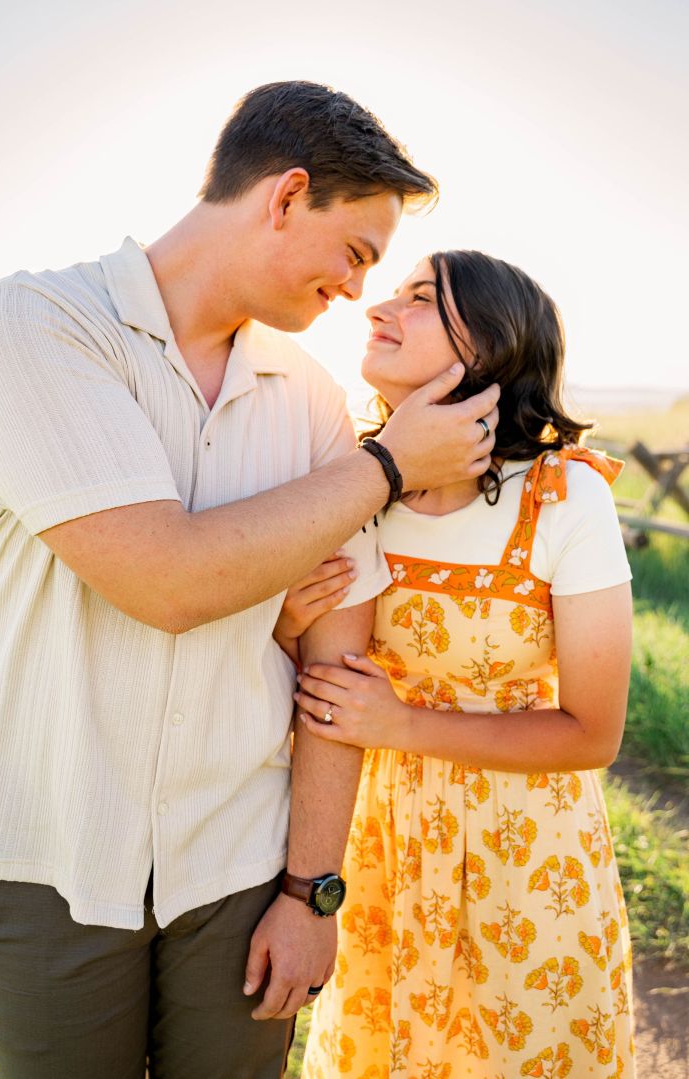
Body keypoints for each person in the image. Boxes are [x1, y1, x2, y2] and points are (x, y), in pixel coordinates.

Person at [0, 83, 501, 1079]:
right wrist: (389, 466)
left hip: (244, 874)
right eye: (355, 251)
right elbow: (165, 580)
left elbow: (338, 675)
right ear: (286, 195)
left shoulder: (310, 397)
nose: (355, 290)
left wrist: (311, 890)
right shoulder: (32, 326)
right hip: (46, 859)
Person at [289, 250, 635, 1077]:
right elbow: (325, 686)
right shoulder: (355, 484)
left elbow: (593, 732)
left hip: (533, 859)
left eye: (419, 299)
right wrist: (283, 627)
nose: (379, 307)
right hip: (388, 851)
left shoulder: (564, 495)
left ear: (488, 348)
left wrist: (402, 723)